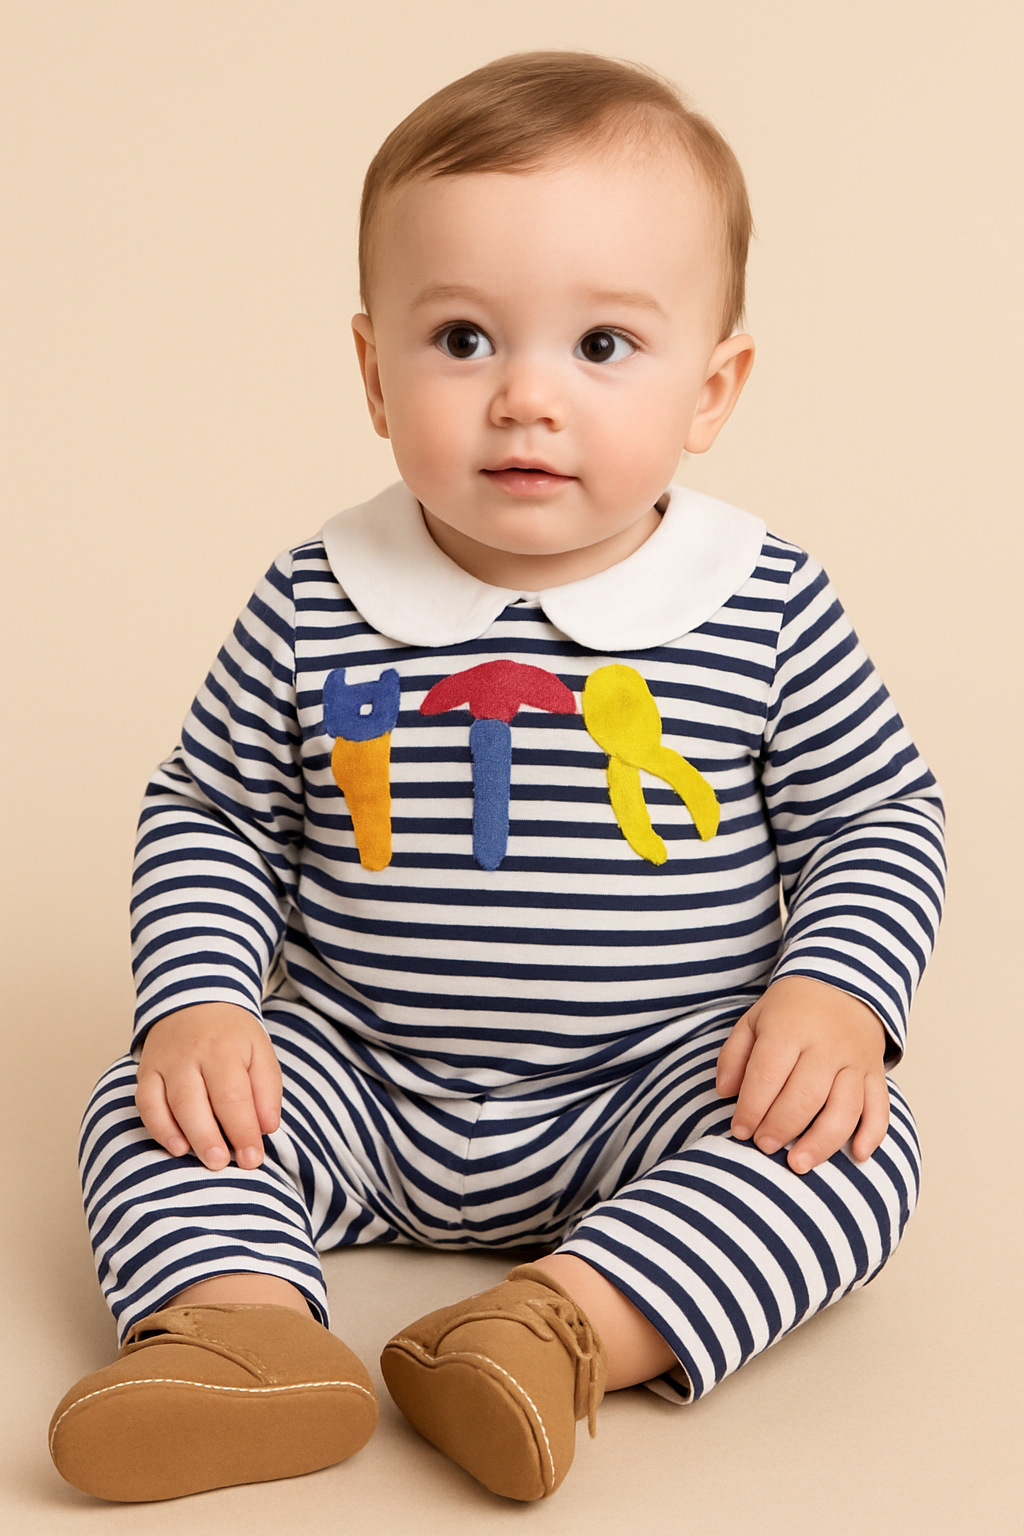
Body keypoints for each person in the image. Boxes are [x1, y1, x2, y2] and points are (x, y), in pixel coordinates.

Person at [49, 50, 945, 1505]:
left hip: (655, 1082)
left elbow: (878, 818)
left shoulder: (761, 603)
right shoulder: (314, 597)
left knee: (857, 1150)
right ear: (371, 372)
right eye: (462, 339)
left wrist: (836, 996)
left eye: (602, 347)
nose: (526, 399)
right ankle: (248, 1334)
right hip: (360, 1068)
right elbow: (213, 812)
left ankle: (555, 1331)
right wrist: (203, 1003)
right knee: (150, 1105)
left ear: (712, 389)